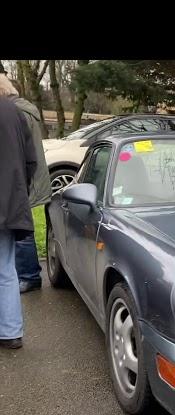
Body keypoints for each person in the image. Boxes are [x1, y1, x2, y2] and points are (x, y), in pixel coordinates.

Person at [0, 73, 52, 293]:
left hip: (22, 180)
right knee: (22, 223)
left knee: (21, 226)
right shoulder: (25, 109)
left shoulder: (15, 112)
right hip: (26, 177)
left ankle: (30, 275)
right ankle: (29, 274)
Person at [0, 97, 38, 349]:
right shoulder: (12, 111)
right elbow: (31, 160)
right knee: (5, 269)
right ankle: (11, 332)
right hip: (8, 203)